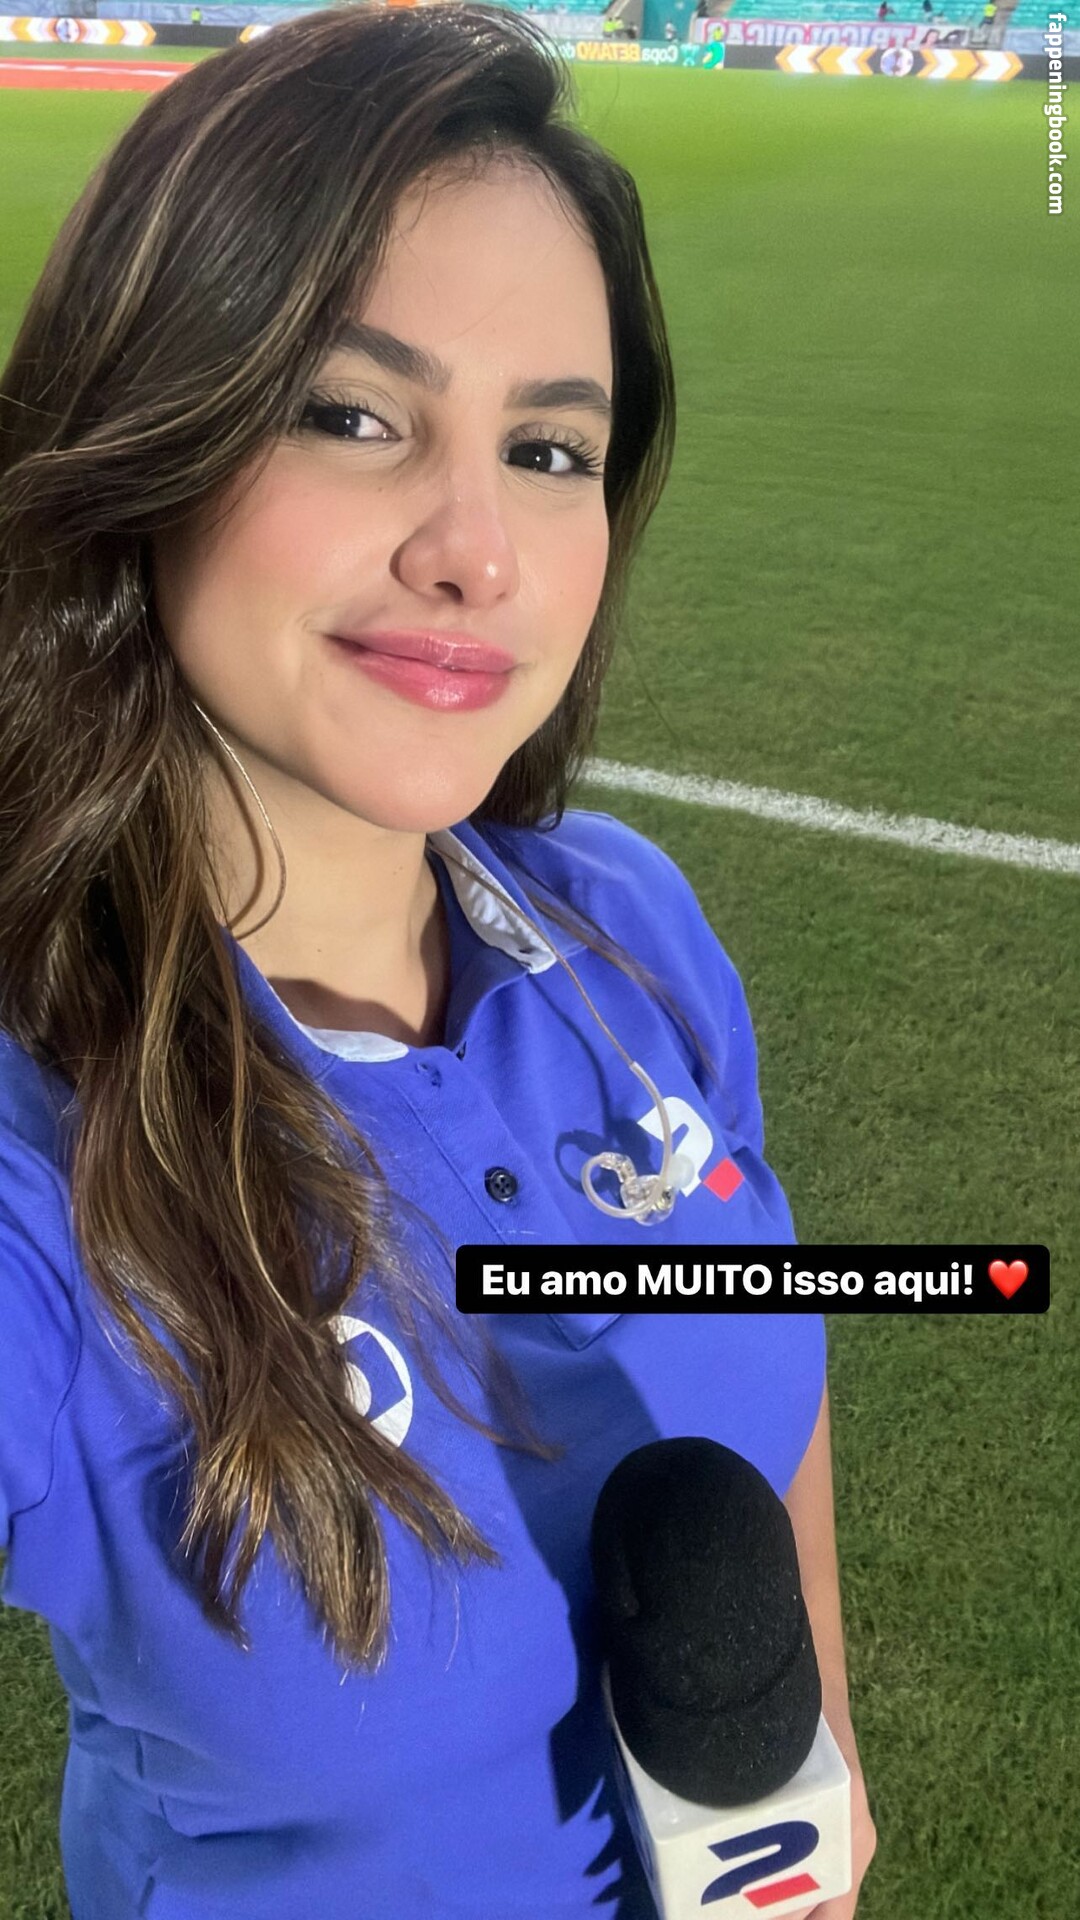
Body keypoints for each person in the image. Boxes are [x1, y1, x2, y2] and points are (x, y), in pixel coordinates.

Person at [0, 7, 876, 1918]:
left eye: (551, 448)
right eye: (352, 414)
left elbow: (763, 1371)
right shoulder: (43, 1156)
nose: (481, 550)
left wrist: (801, 1778)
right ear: (152, 425)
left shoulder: (631, 928)